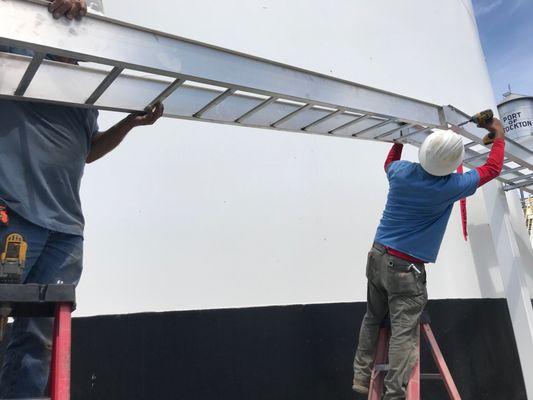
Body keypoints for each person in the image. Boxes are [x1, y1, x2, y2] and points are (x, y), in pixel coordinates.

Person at [0, 1, 164, 397]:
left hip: (65, 231)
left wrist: (131, 122)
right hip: (15, 215)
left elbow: (86, 149)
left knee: (38, 339)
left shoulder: (85, 84)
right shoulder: (19, 53)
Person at [352, 118, 506, 400]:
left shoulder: (400, 173)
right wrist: (498, 135)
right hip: (405, 271)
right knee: (403, 332)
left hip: (376, 256)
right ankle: (394, 395)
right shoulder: (452, 185)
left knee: (372, 318)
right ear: (451, 165)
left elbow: (389, 162)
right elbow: (493, 168)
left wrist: (398, 140)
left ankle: (361, 377)